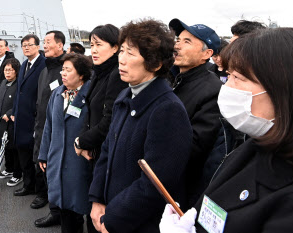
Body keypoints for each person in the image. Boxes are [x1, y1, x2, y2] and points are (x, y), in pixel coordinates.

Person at [160, 28, 293, 233]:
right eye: (228, 75)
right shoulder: (252, 147)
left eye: (238, 77)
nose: (227, 86)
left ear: (282, 89)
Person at [89, 19, 192, 233]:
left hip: (137, 223)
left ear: (155, 64)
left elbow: (155, 184)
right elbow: (107, 150)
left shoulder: (167, 110)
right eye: (122, 51)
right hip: (112, 212)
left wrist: (114, 217)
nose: (122, 60)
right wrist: (97, 198)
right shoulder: (125, 95)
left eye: (131, 53)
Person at [74, 25, 127, 233]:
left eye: (99, 45)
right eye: (91, 44)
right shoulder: (99, 72)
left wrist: (82, 141)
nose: (93, 50)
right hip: (94, 152)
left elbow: (110, 118)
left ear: (115, 48)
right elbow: (90, 111)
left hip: (107, 156)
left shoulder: (116, 75)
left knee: (101, 215)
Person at [169, 19, 224, 208]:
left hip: (182, 189)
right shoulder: (172, 78)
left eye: (187, 42)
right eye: (178, 39)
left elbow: (195, 145)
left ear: (207, 54)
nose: (177, 45)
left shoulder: (213, 89)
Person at [38, 53, 92, 233]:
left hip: (79, 163)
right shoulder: (57, 94)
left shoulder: (90, 95)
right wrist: (43, 154)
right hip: (56, 159)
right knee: (63, 207)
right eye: (62, 69)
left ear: (82, 74)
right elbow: (48, 126)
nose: (63, 73)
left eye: (68, 70)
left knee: (79, 207)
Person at [32, 30, 66, 228]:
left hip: (58, 131)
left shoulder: (66, 68)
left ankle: (62, 213)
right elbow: (40, 101)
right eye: (43, 42)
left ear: (60, 45)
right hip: (42, 127)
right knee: (44, 169)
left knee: (57, 172)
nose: (44, 45)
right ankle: (55, 210)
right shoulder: (45, 70)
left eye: (48, 42)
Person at [11, 34, 46, 195]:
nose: (26, 47)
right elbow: (19, 92)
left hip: (35, 118)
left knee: (37, 157)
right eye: (23, 45)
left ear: (37, 46)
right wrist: (14, 112)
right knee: (23, 154)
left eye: (30, 45)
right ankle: (28, 185)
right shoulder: (24, 64)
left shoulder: (43, 65)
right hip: (21, 118)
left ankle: (40, 192)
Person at [0, 58, 22, 186]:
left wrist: (9, 113)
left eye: (10, 70)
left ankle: (17, 174)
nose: (7, 73)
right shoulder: (3, 83)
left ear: (16, 71)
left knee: (14, 148)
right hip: (1, 121)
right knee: (5, 147)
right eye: (5, 70)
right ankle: (9, 169)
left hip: (12, 122)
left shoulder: (19, 85)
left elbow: (19, 102)